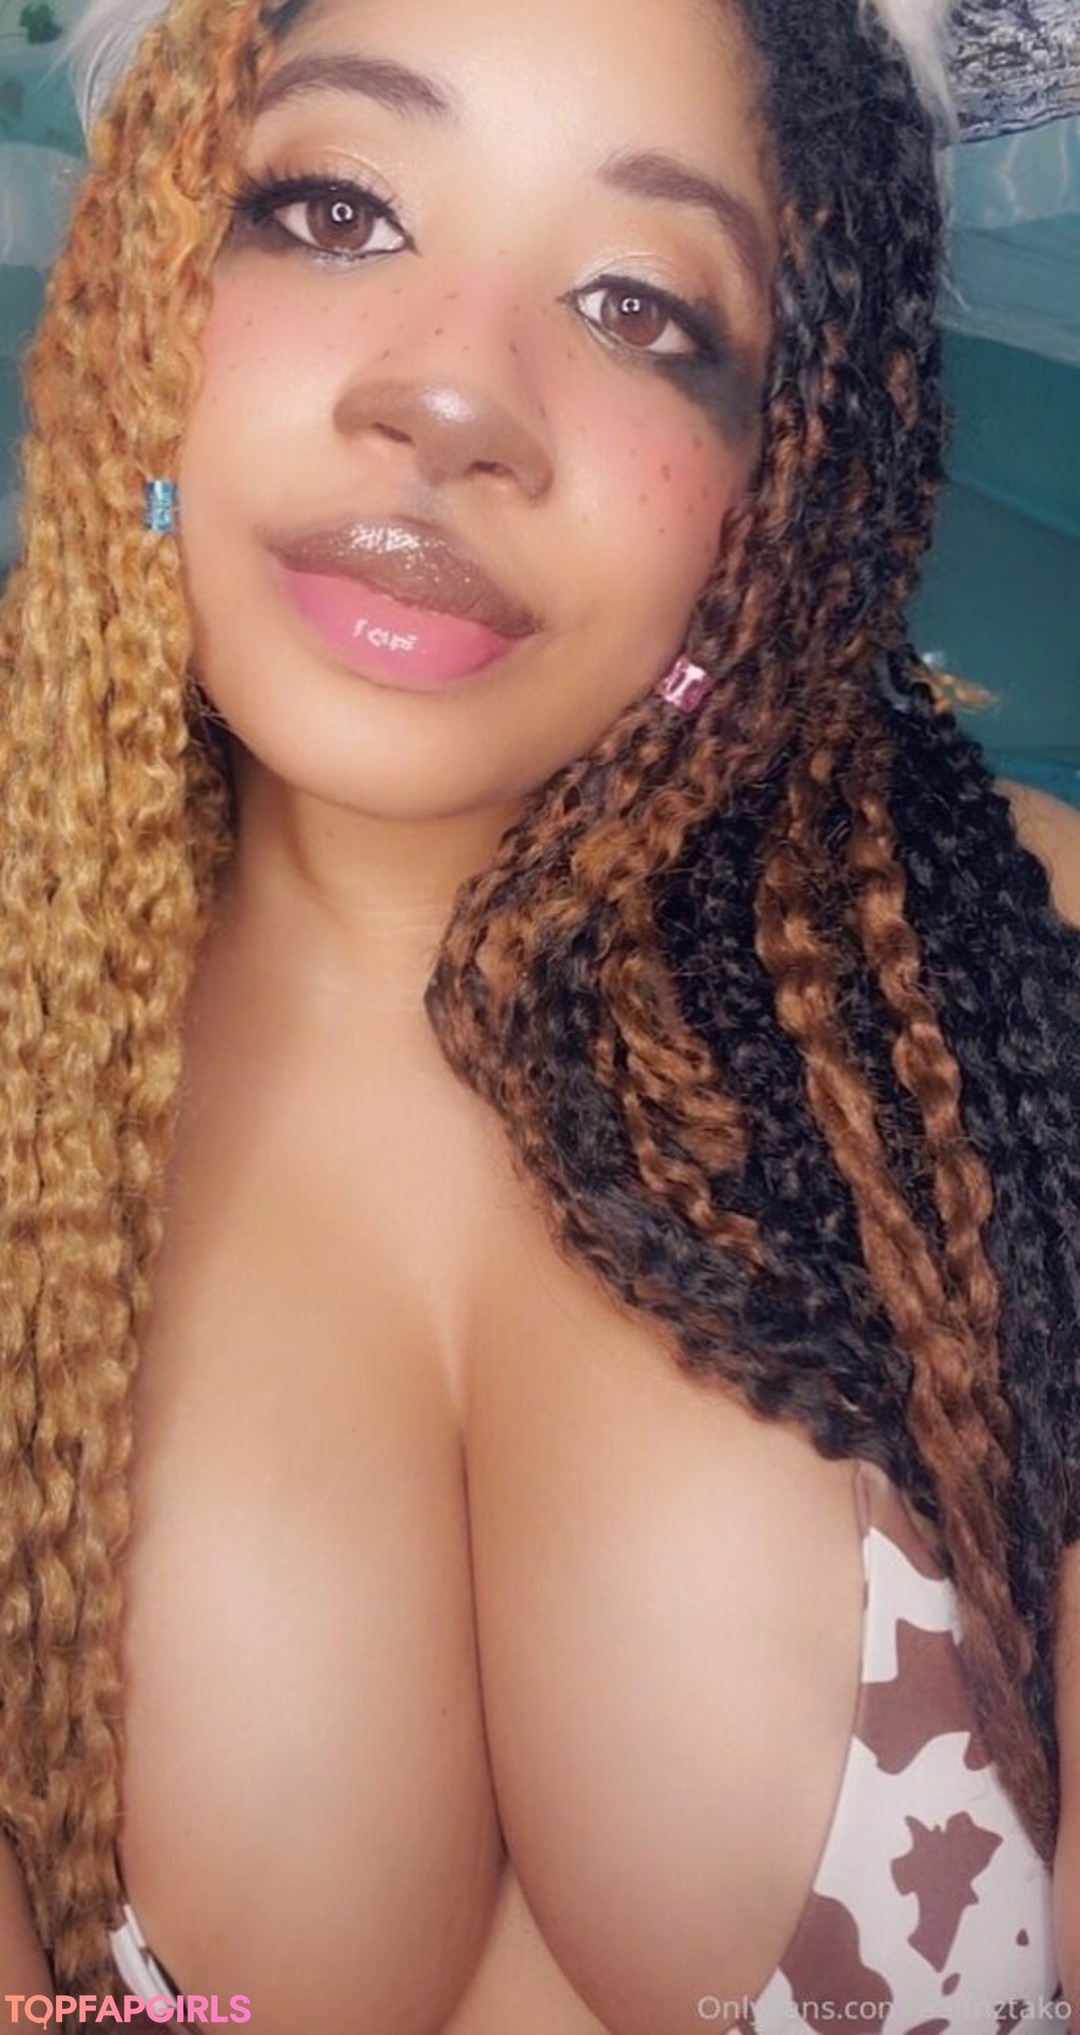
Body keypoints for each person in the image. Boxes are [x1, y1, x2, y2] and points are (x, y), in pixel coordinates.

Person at [0, 0, 1078, 2025]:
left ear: (781, 477)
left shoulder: (1028, 990)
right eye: (334, 210)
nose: (453, 398)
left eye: (641, 307)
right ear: (142, 269)